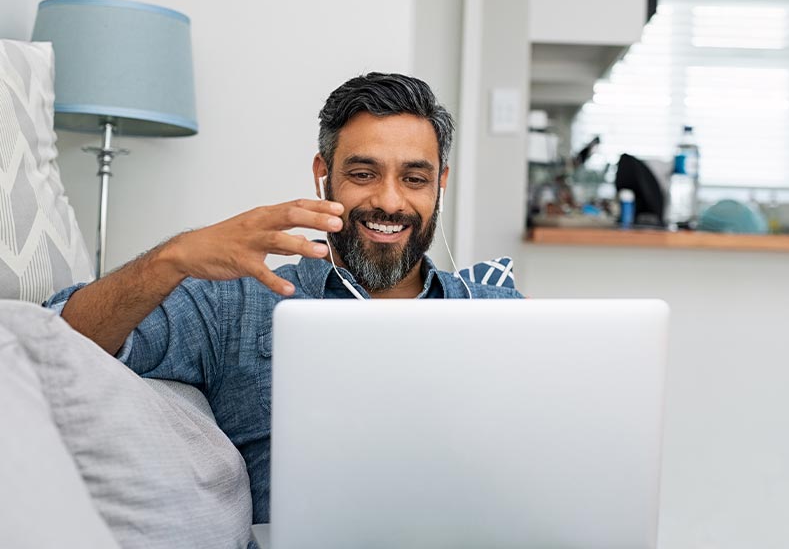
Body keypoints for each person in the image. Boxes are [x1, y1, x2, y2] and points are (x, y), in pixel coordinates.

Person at [45, 72, 524, 522]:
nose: (391, 202)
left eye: (414, 179)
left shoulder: (502, 315)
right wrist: (172, 257)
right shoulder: (236, 303)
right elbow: (56, 345)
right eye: (363, 173)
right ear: (323, 174)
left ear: (440, 182)